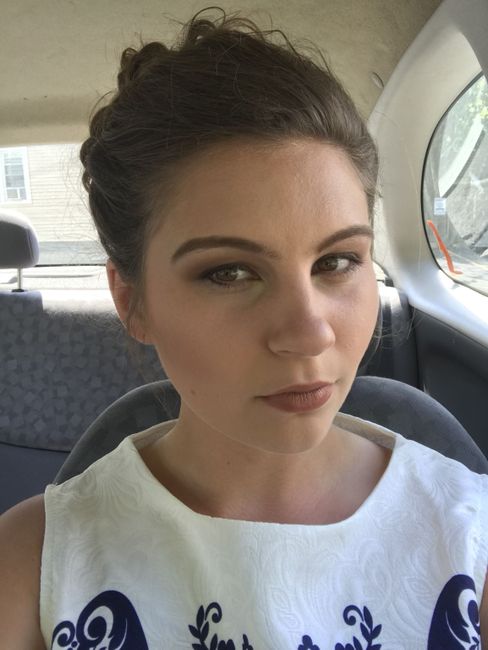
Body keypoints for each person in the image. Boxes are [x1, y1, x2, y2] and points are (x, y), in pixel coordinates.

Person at [0, 8, 486, 649]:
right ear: (132, 300)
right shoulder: (32, 564)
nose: (309, 334)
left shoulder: (471, 532)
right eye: (229, 273)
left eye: (337, 262)